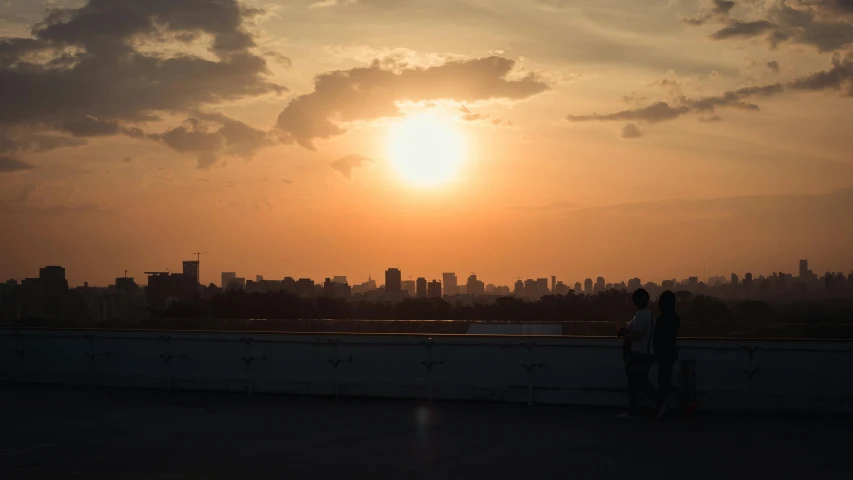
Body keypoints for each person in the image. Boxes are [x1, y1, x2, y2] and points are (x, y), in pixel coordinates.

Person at [617, 288, 658, 419]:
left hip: (638, 354)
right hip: (647, 353)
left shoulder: (640, 315)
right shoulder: (650, 315)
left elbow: (637, 335)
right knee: (641, 382)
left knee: (636, 383)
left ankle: (636, 410)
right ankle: (656, 404)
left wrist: (625, 335)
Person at [653, 290, 681, 419]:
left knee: (663, 381)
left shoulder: (661, 319)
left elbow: (658, 338)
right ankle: (664, 406)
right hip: (671, 352)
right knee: (665, 381)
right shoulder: (675, 318)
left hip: (662, 353)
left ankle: (664, 406)